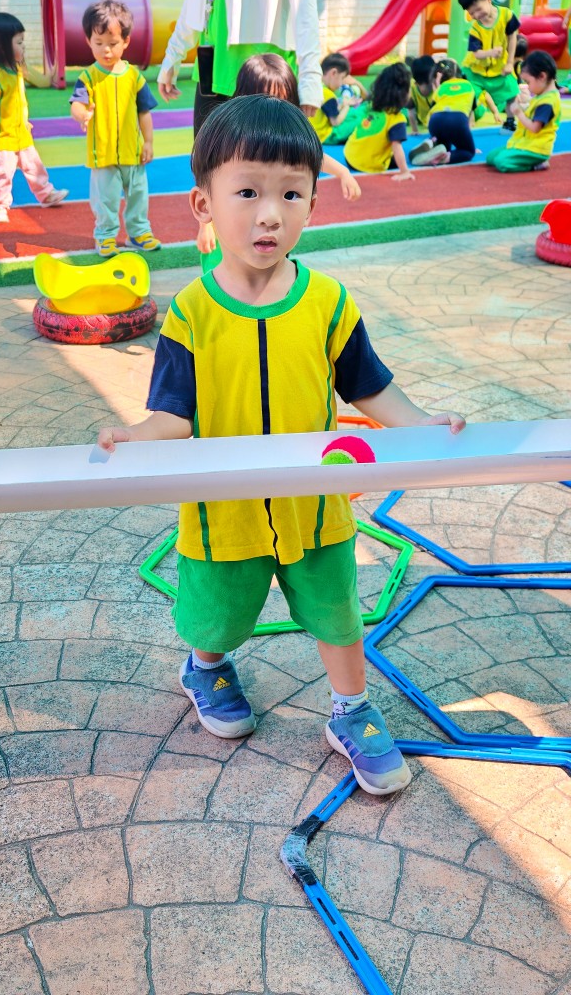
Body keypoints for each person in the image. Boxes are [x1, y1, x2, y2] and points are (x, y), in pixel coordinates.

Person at [96, 94, 466, 796]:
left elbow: (369, 386)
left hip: (314, 506)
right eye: (248, 192)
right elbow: (172, 414)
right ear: (204, 204)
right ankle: (205, 667)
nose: (270, 213)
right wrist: (135, 436)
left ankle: (351, 709)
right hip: (223, 511)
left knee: (338, 611)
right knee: (219, 614)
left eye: (291, 194)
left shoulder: (327, 302)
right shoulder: (193, 313)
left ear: (312, 206)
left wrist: (418, 421)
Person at [197, 52, 361, 265]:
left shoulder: (284, 137)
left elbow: (311, 158)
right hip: (230, 239)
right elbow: (207, 181)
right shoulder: (230, 136)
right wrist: (205, 227)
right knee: (227, 277)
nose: (272, 109)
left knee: (272, 268)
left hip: (273, 238)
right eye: (263, 98)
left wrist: (343, 172)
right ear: (243, 97)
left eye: (281, 101)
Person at [156, 0, 323, 135]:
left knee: (269, 152)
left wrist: (310, 76)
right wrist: (173, 55)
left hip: (266, 76)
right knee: (206, 151)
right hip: (212, 69)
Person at [70, 0, 161, 257]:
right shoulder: (88, 77)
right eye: (98, 43)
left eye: (112, 43)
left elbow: (144, 112)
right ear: (88, 41)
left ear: (126, 41)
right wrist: (82, 114)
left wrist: (149, 142)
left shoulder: (134, 77)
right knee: (105, 200)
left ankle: (139, 232)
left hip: (133, 152)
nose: (106, 50)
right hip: (103, 155)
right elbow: (76, 104)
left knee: (138, 195)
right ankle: (105, 236)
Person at [0, 12, 68, 224]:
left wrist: (23, 119)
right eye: (19, 42)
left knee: (34, 165)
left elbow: (17, 100)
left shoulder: (16, 70)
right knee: (4, 172)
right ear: (2, 47)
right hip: (3, 135)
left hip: (20, 132)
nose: (24, 47)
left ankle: (46, 194)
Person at [458, 0, 520, 131]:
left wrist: (510, 63)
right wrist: (490, 52)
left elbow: (512, 38)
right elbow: (477, 53)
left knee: (512, 92)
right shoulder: (475, 29)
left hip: (499, 67)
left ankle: (510, 122)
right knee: (468, 93)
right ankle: (468, 122)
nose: (476, 15)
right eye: (472, 13)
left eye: (478, 9)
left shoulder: (507, 15)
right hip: (475, 70)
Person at [412, 57, 499, 166]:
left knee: (444, 145)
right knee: (467, 151)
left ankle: (433, 142)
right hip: (457, 119)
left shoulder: (441, 88)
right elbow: (469, 118)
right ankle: (442, 158)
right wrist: (470, 144)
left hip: (435, 121)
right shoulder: (468, 86)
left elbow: (434, 109)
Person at [486, 51, 561, 172]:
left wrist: (518, 113)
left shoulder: (547, 102)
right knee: (491, 157)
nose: (528, 87)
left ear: (542, 76)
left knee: (502, 162)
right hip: (522, 144)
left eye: (528, 82)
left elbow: (535, 128)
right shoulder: (541, 96)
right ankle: (521, 157)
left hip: (535, 149)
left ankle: (536, 164)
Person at [343, 63, 415, 181]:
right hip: (367, 165)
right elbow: (396, 146)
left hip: (349, 156)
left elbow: (367, 96)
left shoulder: (371, 106)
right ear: (404, 93)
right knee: (397, 159)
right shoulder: (396, 119)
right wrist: (404, 171)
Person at [310, 52, 359, 145]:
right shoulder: (328, 95)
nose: (342, 84)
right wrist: (347, 105)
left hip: (309, 134)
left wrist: (341, 105)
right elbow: (335, 122)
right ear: (334, 73)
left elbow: (328, 111)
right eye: (342, 78)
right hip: (324, 136)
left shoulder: (314, 86)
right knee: (359, 119)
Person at [407, 55, 436, 135]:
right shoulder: (412, 87)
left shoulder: (438, 86)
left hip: (437, 121)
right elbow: (411, 111)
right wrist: (415, 130)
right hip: (424, 120)